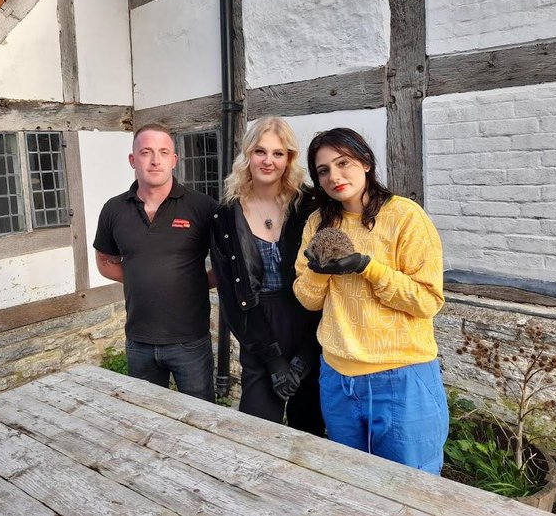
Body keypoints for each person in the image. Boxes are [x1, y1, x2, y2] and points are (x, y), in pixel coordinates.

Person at [293, 127, 448, 473]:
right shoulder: (318, 223)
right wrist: (321, 270)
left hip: (401, 376)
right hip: (336, 377)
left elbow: (427, 300)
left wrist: (368, 267)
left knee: (410, 486)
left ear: (364, 162)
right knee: (352, 482)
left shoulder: (406, 217)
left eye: (343, 162)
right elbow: (307, 299)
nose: (334, 176)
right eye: (323, 170)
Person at [211, 116, 325, 436]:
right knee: (257, 432)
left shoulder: (310, 205)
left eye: (278, 153)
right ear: (248, 155)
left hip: (308, 326)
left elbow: (326, 286)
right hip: (257, 328)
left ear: (289, 158)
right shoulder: (226, 215)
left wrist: (306, 354)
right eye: (260, 151)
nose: (268, 161)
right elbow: (232, 298)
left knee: (310, 433)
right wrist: (274, 363)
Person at [93, 123, 217, 402]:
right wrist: (142, 278)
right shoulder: (114, 209)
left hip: (190, 341)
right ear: (132, 160)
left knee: (201, 417)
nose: (155, 160)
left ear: (174, 159)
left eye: (163, 152)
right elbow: (104, 262)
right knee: (146, 417)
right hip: (139, 340)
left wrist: (191, 283)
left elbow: (226, 264)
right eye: (146, 152)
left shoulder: (202, 207)